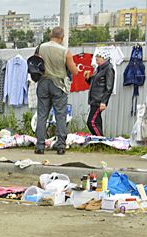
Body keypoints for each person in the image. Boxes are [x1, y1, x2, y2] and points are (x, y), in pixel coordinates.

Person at [34, 27, 78, 155]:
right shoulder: (65, 51)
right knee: (60, 116)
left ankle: (40, 146)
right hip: (59, 85)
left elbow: (35, 63)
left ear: (50, 35)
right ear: (62, 37)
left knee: (42, 115)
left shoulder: (40, 48)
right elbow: (74, 70)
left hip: (42, 83)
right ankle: (60, 146)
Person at [84, 48, 115, 138]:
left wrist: (104, 102)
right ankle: (99, 142)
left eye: (98, 57)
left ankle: (100, 139)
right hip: (94, 99)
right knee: (97, 121)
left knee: (91, 122)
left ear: (104, 58)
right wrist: (87, 78)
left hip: (99, 100)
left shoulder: (108, 68)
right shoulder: (99, 68)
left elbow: (109, 87)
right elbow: (94, 84)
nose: (96, 59)